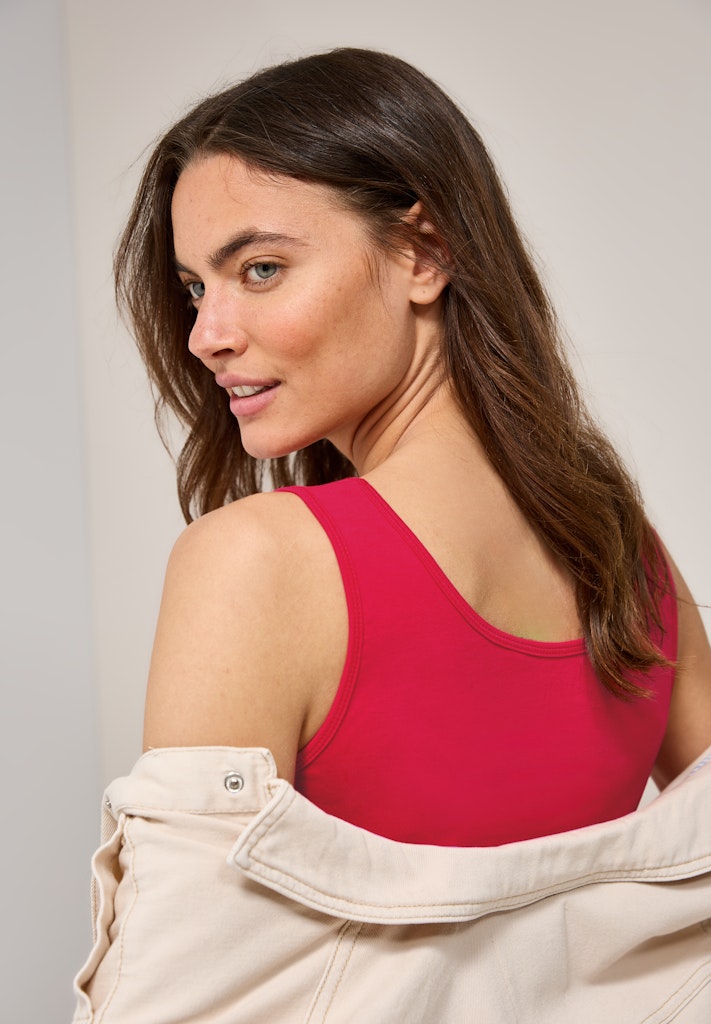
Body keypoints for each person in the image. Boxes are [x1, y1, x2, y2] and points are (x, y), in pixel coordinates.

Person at [72, 48, 711, 1020]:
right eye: (196, 287)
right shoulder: (627, 559)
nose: (206, 334)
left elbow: (176, 1000)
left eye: (261, 269)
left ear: (424, 253)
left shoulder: (258, 562)